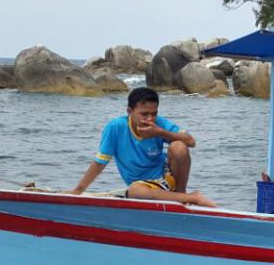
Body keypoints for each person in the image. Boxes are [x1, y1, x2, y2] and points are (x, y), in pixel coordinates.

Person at [69, 87, 215, 206]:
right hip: (142, 187)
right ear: (130, 112)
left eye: (154, 114)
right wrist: (78, 190)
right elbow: (100, 162)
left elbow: (191, 141)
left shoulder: (159, 124)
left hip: (166, 177)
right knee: (135, 191)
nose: (150, 119)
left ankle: (184, 198)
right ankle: (188, 198)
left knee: (178, 146)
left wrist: (161, 133)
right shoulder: (116, 127)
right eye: (144, 114)